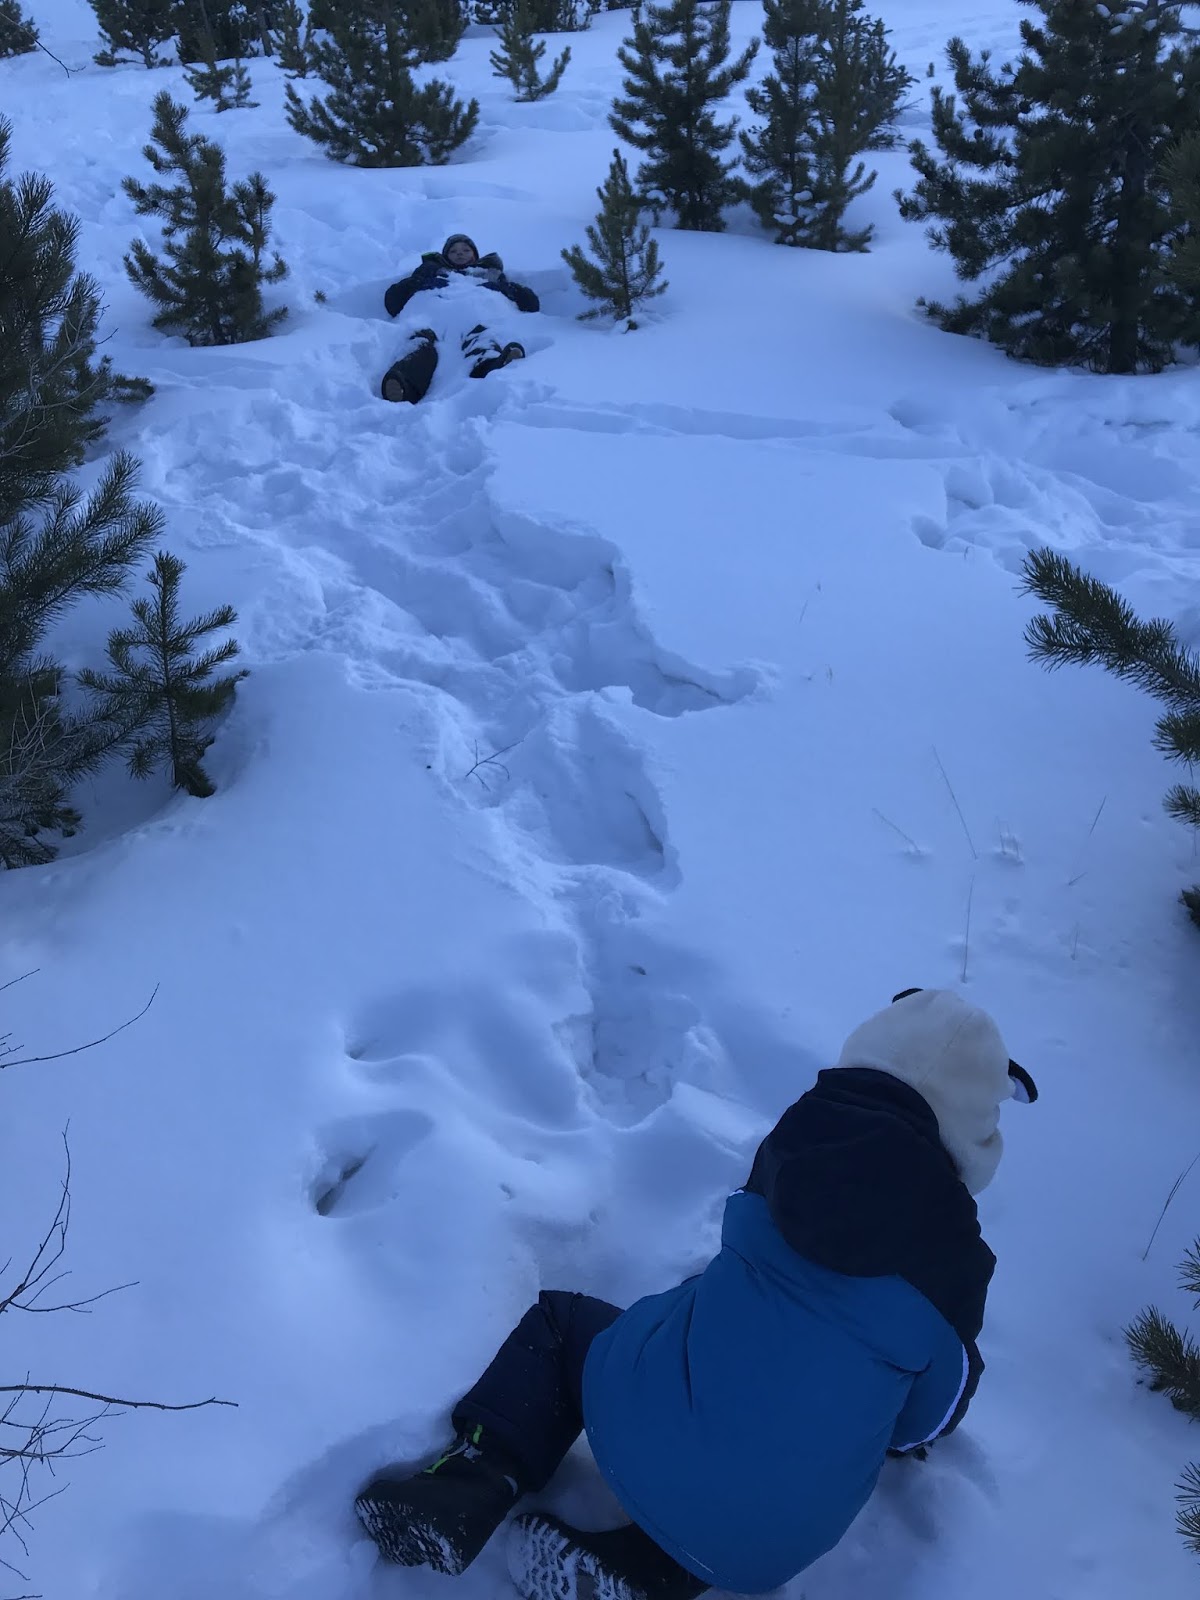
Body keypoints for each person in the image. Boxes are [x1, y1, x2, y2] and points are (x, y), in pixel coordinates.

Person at [354, 987, 1040, 1600]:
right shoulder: (957, 1264)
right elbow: (923, 1420)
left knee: (564, 1327)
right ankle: (650, 1570)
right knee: (770, 1468)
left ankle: (474, 1479)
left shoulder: (793, 1150)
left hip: (644, 1424)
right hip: (772, 1539)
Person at [380, 233, 541, 404]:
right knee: (420, 346)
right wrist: (419, 282)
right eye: (453, 251)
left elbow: (531, 304)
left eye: (466, 249)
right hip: (432, 320)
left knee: (483, 342)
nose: (460, 253)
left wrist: (503, 288)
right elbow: (393, 301)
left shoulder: (489, 274)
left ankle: (496, 368)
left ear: (475, 256)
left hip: (476, 321)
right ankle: (402, 384)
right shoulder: (431, 271)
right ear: (445, 257)